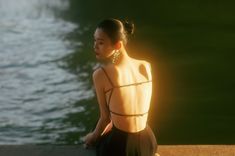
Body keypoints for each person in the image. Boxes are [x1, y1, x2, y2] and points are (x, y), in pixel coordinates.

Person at [84, 18, 157, 156]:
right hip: (147, 142)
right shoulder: (145, 66)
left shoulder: (101, 74)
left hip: (121, 147)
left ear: (118, 45)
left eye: (100, 42)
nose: (95, 46)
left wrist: (92, 137)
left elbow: (105, 118)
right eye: (94, 41)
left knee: (98, 127)